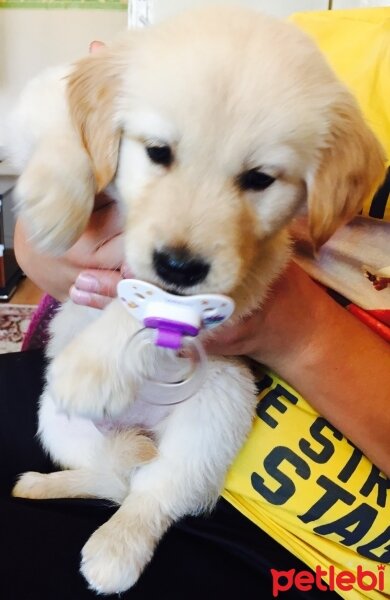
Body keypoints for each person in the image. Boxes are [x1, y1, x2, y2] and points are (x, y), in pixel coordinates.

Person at [1, 6, 390, 600]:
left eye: (258, 179)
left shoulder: (324, 119)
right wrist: (58, 214)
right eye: (160, 152)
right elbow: (47, 202)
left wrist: (299, 331)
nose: (185, 243)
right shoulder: (305, 50)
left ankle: (145, 506)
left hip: (307, 537)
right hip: (96, 401)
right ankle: (107, 474)